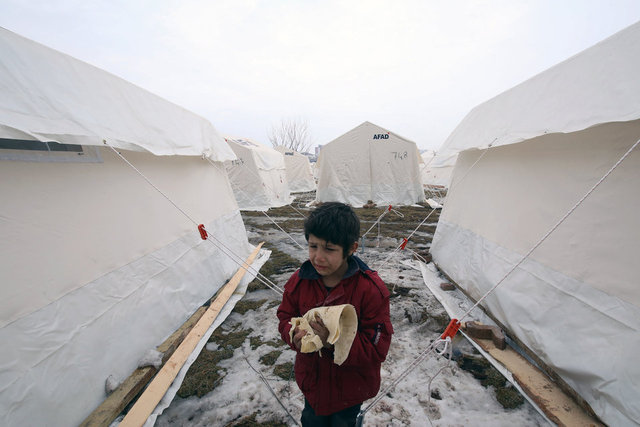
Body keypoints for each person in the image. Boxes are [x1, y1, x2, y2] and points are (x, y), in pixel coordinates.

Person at [277, 202, 393, 427]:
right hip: (312, 382)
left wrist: (333, 341)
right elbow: (285, 316)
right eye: (313, 246)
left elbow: (376, 347)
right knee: (312, 420)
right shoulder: (300, 282)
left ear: (351, 248)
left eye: (329, 249)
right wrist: (293, 334)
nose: (318, 257)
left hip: (350, 389)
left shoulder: (370, 290)